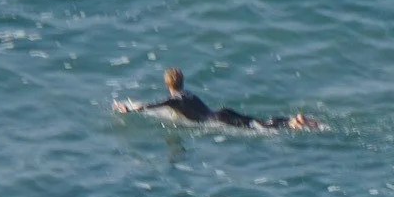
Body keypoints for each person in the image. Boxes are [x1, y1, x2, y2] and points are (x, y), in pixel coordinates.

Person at [113, 67, 320, 130]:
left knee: (257, 127)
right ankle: (292, 120)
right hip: (221, 112)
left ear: (168, 84)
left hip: (217, 121)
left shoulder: (174, 99)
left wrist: (128, 109)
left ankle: (293, 123)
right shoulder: (188, 93)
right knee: (256, 121)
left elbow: (153, 105)